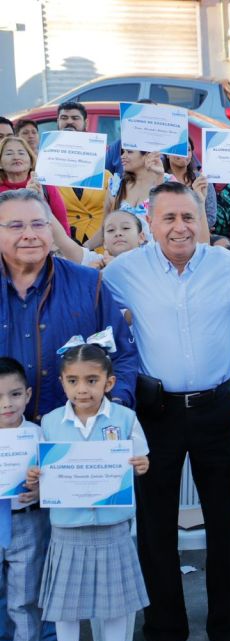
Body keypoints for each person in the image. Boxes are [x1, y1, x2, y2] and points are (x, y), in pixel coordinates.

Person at [102, 182, 230, 641]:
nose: (179, 227)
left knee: (226, 528)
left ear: (202, 221)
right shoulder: (126, 270)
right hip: (157, 413)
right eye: (168, 218)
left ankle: (227, 637)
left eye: (188, 217)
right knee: (155, 530)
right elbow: (86, 282)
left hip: (217, 409)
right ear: (150, 223)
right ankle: (165, 637)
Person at [29, 342, 150, 641]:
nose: (82, 389)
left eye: (92, 380)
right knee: (65, 610)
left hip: (112, 527)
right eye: (73, 381)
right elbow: (41, 473)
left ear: (109, 382)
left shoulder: (125, 419)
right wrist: (36, 477)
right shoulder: (50, 423)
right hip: (68, 530)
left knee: (116, 605)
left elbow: (141, 459)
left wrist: (141, 465)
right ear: (63, 382)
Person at [0, 189, 137, 420]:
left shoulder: (88, 283)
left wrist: (114, 406)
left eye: (39, 224)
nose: (30, 234)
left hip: (76, 437)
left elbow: (122, 355)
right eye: (16, 226)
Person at [0, 358, 46, 641]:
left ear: (28, 396)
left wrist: (41, 489)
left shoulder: (38, 434)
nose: (7, 404)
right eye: (0, 397)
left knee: (24, 600)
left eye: (15, 394)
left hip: (27, 523)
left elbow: (56, 479)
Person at [52, 102, 115, 244]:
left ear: (85, 123)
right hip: (65, 246)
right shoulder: (45, 171)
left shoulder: (105, 176)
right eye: (64, 117)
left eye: (75, 118)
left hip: (101, 247)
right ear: (57, 122)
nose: (69, 121)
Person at [0, 136, 70, 234]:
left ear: (31, 160)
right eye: (9, 153)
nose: (16, 157)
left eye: (21, 153)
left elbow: (62, 224)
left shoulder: (45, 186)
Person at [163, 136, 216, 231]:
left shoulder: (201, 180)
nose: (184, 153)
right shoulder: (160, 179)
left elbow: (211, 216)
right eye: (179, 149)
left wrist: (191, 228)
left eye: (188, 150)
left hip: (198, 233)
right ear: (167, 154)